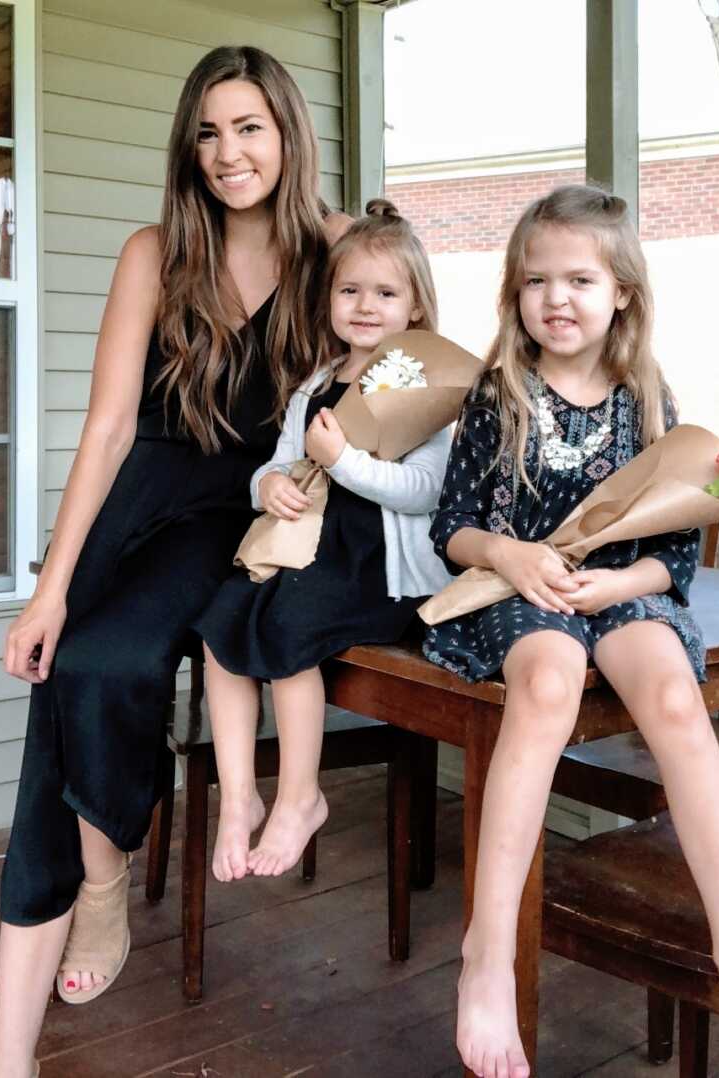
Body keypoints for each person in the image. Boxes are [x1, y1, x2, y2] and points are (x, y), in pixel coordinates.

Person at [0, 45, 349, 1078]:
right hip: (138, 504)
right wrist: (47, 589)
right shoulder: (156, 251)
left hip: (240, 516)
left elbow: (409, 369)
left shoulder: (332, 250)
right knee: (67, 672)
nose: (228, 153)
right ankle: (35, 1005)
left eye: (248, 128)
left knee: (109, 668)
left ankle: (101, 882)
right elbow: (104, 430)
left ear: (287, 133)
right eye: (208, 132)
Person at [422, 185, 719, 1078]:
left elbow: (674, 553)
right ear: (515, 293)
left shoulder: (645, 398)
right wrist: (516, 560)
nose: (556, 298)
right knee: (547, 685)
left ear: (622, 291)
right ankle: (485, 952)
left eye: (580, 279)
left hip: (620, 592)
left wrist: (620, 582)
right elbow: (454, 528)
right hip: (523, 591)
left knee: (673, 696)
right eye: (535, 280)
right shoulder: (497, 392)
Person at [198, 200, 452, 881]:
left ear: (416, 309)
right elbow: (278, 463)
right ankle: (240, 796)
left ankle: (300, 795)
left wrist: (345, 464)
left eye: (385, 292)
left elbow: (425, 489)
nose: (365, 306)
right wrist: (267, 489)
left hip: (380, 569)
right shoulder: (317, 382)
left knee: (287, 627)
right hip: (309, 549)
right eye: (350, 291)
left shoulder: (428, 388)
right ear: (329, 299)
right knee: (221, 622)